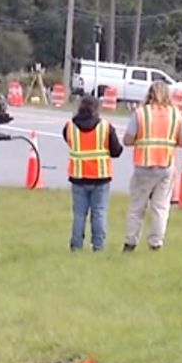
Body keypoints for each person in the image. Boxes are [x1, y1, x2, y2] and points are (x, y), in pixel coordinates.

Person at [122, 81, 182, 252]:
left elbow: (127, 139)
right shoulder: (175, 115)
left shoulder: (141, 114)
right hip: (165, 165)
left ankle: (130, 242)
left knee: (137, 207)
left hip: (143, 165)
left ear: (149, 94)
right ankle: (155, 243)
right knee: (160, 207)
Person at [62, 95, 124, 251]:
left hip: (78, 176)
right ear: (97, 109)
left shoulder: (69, 126)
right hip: (100, 177)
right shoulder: (105, 127)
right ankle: (98, 246)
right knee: (99, 212)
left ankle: (76, 245)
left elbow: (68, 141)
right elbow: (117, 151)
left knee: (79, 214)